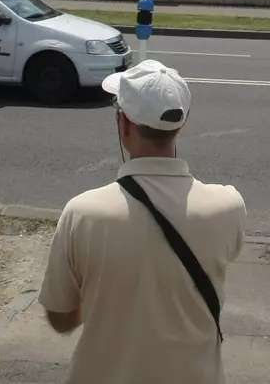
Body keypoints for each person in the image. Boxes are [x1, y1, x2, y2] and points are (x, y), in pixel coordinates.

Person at [38, 59, 246, 384]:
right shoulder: (228, 206)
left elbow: (60, 318)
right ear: (182, 122)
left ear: (123, 124)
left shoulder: (82, 214)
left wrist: (96, 297)